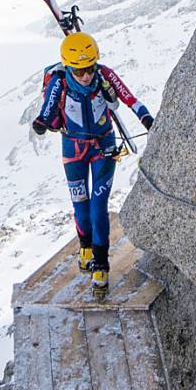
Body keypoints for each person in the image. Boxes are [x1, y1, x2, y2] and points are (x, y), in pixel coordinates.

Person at [31, 32, 154, 292]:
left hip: (104, 147)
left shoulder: (104, 75)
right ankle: (85, 246)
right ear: (68, 67)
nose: (86, 75)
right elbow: (48, 108)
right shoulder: (60, 82)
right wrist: (41, 122)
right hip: (73, 148)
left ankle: (101, 266)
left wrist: (146, 119)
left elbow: (129, 98)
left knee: (98, 207)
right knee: (81, 208)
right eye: (79, 71)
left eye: (89, 68)